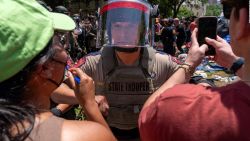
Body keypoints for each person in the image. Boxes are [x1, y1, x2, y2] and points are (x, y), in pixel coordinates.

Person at [51, 0, 206, 140]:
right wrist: (86, 98)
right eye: (118, 27)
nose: (124, 33)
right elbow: (56, 88)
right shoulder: (94, 62)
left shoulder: (162, 62)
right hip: (104, 131)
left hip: (146, 134)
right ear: (109, 31)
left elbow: (198, 82)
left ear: (142, 31)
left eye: (131, 27)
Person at [0, 0, 116, 141]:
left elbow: (38, 84)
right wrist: (89, 104)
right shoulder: (86, 135)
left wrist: (80, 97)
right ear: (45, 67)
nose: (64, 51)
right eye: (58, 43)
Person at [139, 0, 250, 140]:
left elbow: (148, 115)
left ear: (243, 19)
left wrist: (190, 63)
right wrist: (235, 63)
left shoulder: (187, 107)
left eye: (227, 9)